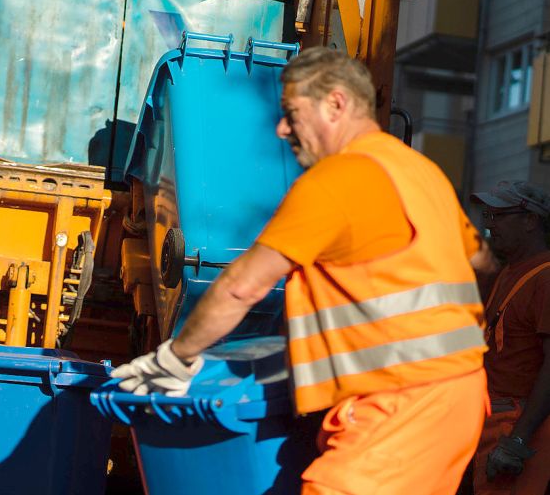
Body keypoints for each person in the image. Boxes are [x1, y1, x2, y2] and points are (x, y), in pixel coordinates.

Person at [112, 47, 493, 494]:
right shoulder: (420, 171)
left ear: (336, 103)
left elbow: (241, 287)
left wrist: (173, 360)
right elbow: (481, 262)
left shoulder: (339, 178)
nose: (281, 128)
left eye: (292, 113)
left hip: (400, 397)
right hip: (455, 394)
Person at [470, 180, 550, 495]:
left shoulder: (544, 277)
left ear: (530, 220)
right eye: (487, 216)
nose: (489, 225)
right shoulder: (508, 271)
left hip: (519, 427)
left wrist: (518, 439)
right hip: (495, 422)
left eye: (499, 216)